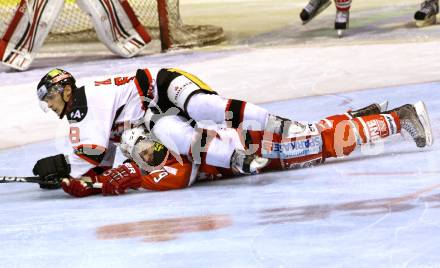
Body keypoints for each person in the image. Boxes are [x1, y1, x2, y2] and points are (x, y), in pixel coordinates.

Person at [59, 99, 433, 198]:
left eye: (146, 150)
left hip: (253, 144)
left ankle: (401, 118)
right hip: (249, 146)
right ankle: (365, 115)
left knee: (324, 142)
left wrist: (120, 179)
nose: (146, 155)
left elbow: (178, 174)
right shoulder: (149, 140)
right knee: (319, 137)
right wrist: (92, 183)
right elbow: (153, 166)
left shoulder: (164, 139)